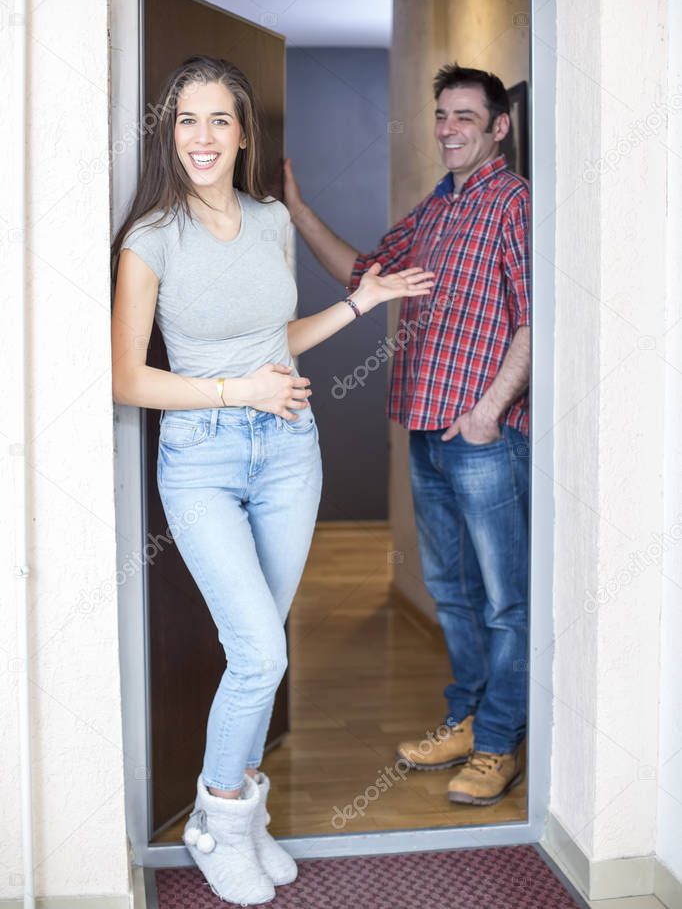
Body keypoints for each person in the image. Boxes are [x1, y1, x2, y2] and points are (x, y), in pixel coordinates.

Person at [110, 54, 434, 904]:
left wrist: (362, 301)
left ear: (243, 132)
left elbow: (277, 337)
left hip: (291, 450)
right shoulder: (150, 240)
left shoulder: (270, 223)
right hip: (203, 458)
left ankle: (247, 815)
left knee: (262, 651)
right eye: (187, 121)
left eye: (220, 119)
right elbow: (127, 379)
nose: (203, 137)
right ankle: (217, 816)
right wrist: (237, 389)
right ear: (168, 134)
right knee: (259, 651)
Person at [283, 62, 530, 808]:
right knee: (451, 594)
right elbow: (364, 274)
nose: (449, 128)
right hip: (426, 429)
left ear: (499, 126)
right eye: (442, 114)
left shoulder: (513, 203)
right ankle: (465, 718)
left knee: (502, 602)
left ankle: (497, 745)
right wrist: (296, 210)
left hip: (483, 437)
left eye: (465, 116)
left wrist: (488, 410)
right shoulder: (437, 207)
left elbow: (536, 316)